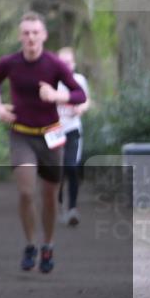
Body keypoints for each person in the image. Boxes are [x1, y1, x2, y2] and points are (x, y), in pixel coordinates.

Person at [0, 12, 87, 274]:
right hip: (21, 134)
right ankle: (31, 244)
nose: (30, 37)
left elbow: (79, 94)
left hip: (51, 136)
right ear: (20, 36)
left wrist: (56, 95)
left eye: (35, 32)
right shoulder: (9, 63)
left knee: (50, 197)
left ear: (43, 35)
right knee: (26, 191)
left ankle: (48, 245)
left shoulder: (54, 64)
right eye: (26, 33)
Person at [56, 47, 90, 227]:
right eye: (62, 62)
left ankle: (73, 209)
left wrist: (81, 108)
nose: (65, 66)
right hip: (54, 131)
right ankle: (58, 206)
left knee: (71, 166)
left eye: (68, 62)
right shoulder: (51, 81)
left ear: (74, 64)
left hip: (72, 129)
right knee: (57, 170)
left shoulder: (79, 80)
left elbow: (86, 101)